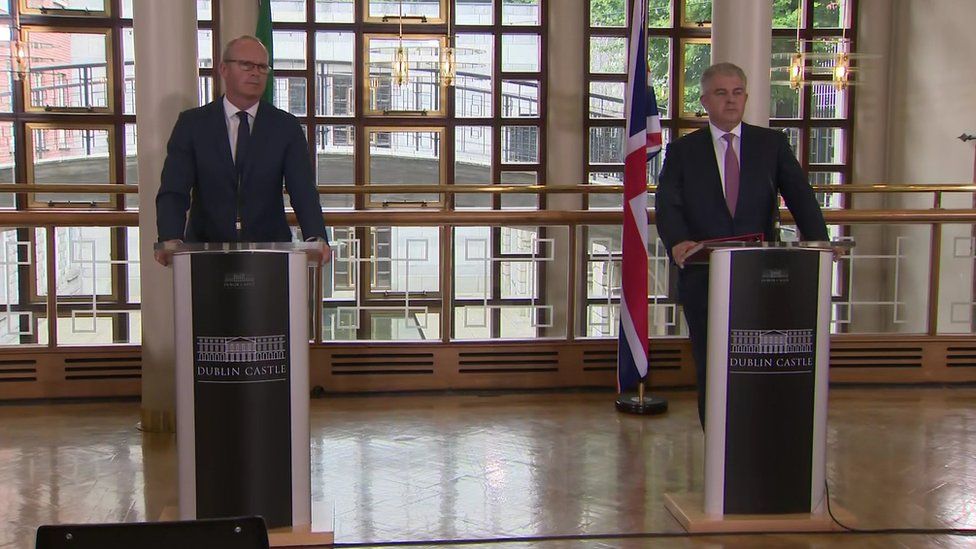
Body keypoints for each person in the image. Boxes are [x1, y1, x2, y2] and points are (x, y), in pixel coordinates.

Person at [654, 62, 829, 427]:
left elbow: (800, 197)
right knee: (712, 361)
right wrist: (678, 242)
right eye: (721, 93)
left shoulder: (771, 144)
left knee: (758, 357)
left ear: (746, 97)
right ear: (705, 101)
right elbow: (667, 204)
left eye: (737, 92)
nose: (731, 100)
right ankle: (716, 440)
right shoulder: (684, 151)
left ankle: (757, 437)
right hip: (704, 277)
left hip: (761, 277)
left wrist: (819, 244)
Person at [154, 35, 331, 266]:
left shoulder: (285, 126)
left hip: (270, 253)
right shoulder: (193, 125)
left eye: (262, 67)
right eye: (246, 65)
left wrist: (316, 237)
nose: (255, 73)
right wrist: (170, 237)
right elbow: (174, 189)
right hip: (206, 253)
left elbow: (303, 191)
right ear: (224, 69)